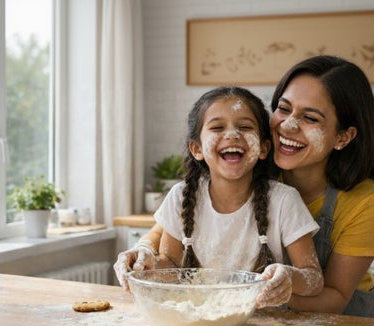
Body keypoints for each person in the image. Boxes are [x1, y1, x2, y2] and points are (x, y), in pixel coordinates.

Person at [116, 55, 374, 316]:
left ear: (343, 136)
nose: (289, 125)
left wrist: (244, 289)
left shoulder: (362, 200)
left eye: (310, 118)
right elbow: (168, 234)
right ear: (196, 148)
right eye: (283, 109)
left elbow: (333, 298)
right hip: (258, 319)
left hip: (342, 324)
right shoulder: (246, 169)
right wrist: (143, 253)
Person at [137, 86, 324, 308]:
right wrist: (147, 264)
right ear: (196, 149)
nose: (232, 135)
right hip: (200, 320)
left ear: (264, 148)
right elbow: (170, 267)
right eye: (217, 127)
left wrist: (289, 277)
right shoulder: (180, 196)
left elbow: (314, 279)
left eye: (245, 127)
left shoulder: (284, 201)